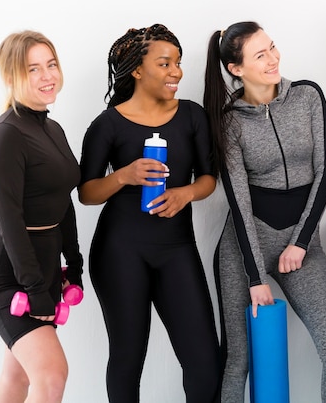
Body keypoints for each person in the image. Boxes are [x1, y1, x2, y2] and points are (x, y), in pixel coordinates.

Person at [203, 21, 326, 402]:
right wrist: (255, 277)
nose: (274, 58)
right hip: (245, 248)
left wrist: (301, 242)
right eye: (261, 54)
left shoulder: (307, 96)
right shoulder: (229, 120)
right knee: (238, 361)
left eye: (272, 47)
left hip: (301, 245)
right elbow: (237, 201)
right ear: (236, 69)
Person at [78, 24, 220, 403]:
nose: (176, 72)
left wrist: (185, 194)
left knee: (205, 362)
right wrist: (124, 175)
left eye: (178, 62)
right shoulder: (107, 124)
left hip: (176, 248)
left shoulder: (192, 116)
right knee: (128, 359)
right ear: (137, 70)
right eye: (165, 63)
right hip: (119, 252)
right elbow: (87, 193)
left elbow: (209, 177)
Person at [0, 30, 84, 403]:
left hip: (44, 271)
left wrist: (73, 262)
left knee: (17, 377)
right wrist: (35, 288)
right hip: (9, 276)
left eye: (51, 64)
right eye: (32, 69)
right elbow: (10, 220)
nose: (47, 76)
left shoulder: (51, 128)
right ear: (11, 77)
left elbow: (63, 198)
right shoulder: (6, 135)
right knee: (52, 374)